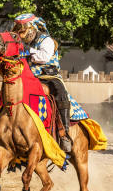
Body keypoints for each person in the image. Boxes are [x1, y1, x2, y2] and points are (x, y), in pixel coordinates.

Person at [12, 13, 72, 153]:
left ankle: (65, 135)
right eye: (19, 32)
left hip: (49, 76)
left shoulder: (46, 41)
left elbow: (44, 57)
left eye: (22, 32)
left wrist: (28, 51)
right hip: (30, 77)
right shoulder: (24, 44)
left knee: (60, 92)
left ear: (31, 29)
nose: (21, 36)